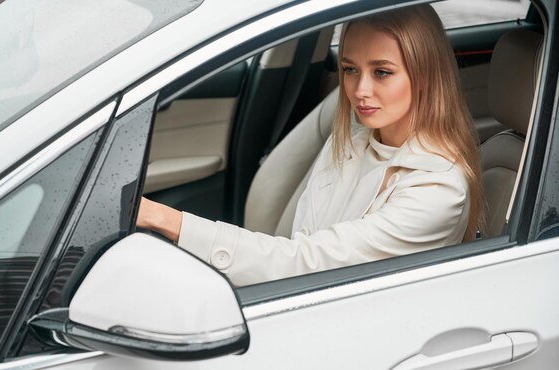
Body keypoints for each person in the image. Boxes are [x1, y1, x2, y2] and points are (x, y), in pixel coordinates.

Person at [136, 4, 484, 286]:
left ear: (425, 76)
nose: (360, 91)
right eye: (350, 69)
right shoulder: (355, 139)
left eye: (381, 72)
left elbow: (306, 262)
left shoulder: (437, 190)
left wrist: (165, 219)